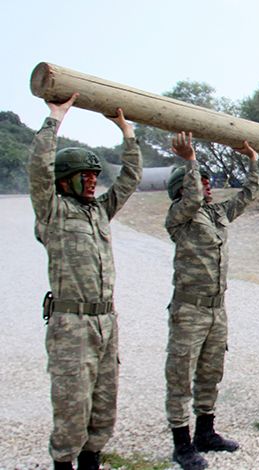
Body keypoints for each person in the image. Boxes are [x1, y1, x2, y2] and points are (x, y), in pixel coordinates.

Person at [29, 93, 142, 470]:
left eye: (95, 175)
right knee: (72, 405)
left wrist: (127, 134)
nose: (93, 181)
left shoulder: (99, 212)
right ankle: (64, 462)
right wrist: (54, 119)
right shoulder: (53, 211)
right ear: (65, 181)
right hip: (72, 325)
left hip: (106, 321)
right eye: (85, 176)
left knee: (104, 402)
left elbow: (129, 180)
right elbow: (38, 170)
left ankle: (92, 459)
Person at [164, 132, 259, 470]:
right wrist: (190, 160)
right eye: (199, 181)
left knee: (210, 372)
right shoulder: (180, 216)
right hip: (189, 309)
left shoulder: (216, 213)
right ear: (182, 189)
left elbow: (247, 195)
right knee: (181, 376)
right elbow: (191, 199)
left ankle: (206, 432)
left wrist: (253, 160)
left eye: (207, 181)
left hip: (217, 309)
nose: (206, 186)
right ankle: (182, 445)